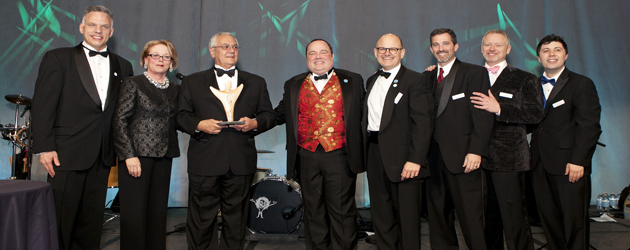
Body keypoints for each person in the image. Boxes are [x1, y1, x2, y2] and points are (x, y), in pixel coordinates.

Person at [31, 5, 133, 249]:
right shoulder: (58, 58)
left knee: (91, 221)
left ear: (111, 31)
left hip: (102, 154)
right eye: (92, 25)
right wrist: (44, 147)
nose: (98, 31)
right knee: (61, 219)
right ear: (81, 27)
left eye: (104, 26)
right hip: (64, 154)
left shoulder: (124, 65)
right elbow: (43, 106)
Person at [177, 32, 276, 250]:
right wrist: (200, 125)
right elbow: (180, 116)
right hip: (205, 160)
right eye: (225, 46)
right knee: (202, 219)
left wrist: (254, 123)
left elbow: (269, 115)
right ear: (212, 51)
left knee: (237, 219)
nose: (231, 50)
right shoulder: (192, 81)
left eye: (235, 46)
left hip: (241, 161)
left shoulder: (256, 82)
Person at [274, 39, 365, 250]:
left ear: (332, 57)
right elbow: (279, 114)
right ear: (306, 59)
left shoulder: (353, 80)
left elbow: (368, 112)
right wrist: (253, 122)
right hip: (306, 155)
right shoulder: (293, 84)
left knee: (342, 212)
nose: (318, 57)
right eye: (312, 53)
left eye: (323, 52)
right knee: (313, 211)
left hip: (340, 154)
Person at [469, 29, 543, 250]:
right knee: (485, 218)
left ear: (508, 49)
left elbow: (535, 114)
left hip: (509, 159)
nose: (492, 49)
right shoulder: (469, 76)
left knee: (514, 218)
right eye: (488, 45)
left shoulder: (524, 78)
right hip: (475, 159)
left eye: (498, 45)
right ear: (481, 48)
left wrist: (500, 108)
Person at [424, 28, 494, 250]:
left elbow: (482, 116)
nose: (441, 48)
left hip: (465, 158)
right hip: (433, 160)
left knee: (472, 219)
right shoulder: (425, 77)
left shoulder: (474, 73)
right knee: (438, 219)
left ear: (455, 46)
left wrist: (476, 151)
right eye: (436, 44)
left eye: (445, 44)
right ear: (431, 49)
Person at [530, 34, 601, 250]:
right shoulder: (532, 85)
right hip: (538, 163)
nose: (551, 54)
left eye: (557, 49)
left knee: (574, 221)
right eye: (546, 50)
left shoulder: (581, 84)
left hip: (570, 164)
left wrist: (579, 161)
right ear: (539, 57)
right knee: (549, 220)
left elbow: (589, 126)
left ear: (566, 55)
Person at [362, 33, 433, 250]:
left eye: (393, 49)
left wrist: (415, 160)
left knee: (408, 219)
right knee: (381, 215)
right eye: (382, 49)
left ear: (402, 53)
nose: (387, 53)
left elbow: (423, 124)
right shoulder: (372, 79)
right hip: (374, 153)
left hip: (405, 159)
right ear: (375, 53)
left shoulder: (415, 80)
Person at [112, 40, 180, 250]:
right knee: (134, 215)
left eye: (166, 56)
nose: (161, 60)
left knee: (158, 214)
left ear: (172, 63)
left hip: (164, 156)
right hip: (136, 158)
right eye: (155, 55)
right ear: (145, 59)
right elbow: (120, 121)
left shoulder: (177, 89)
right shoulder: (133, 83)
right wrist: (128, 155)